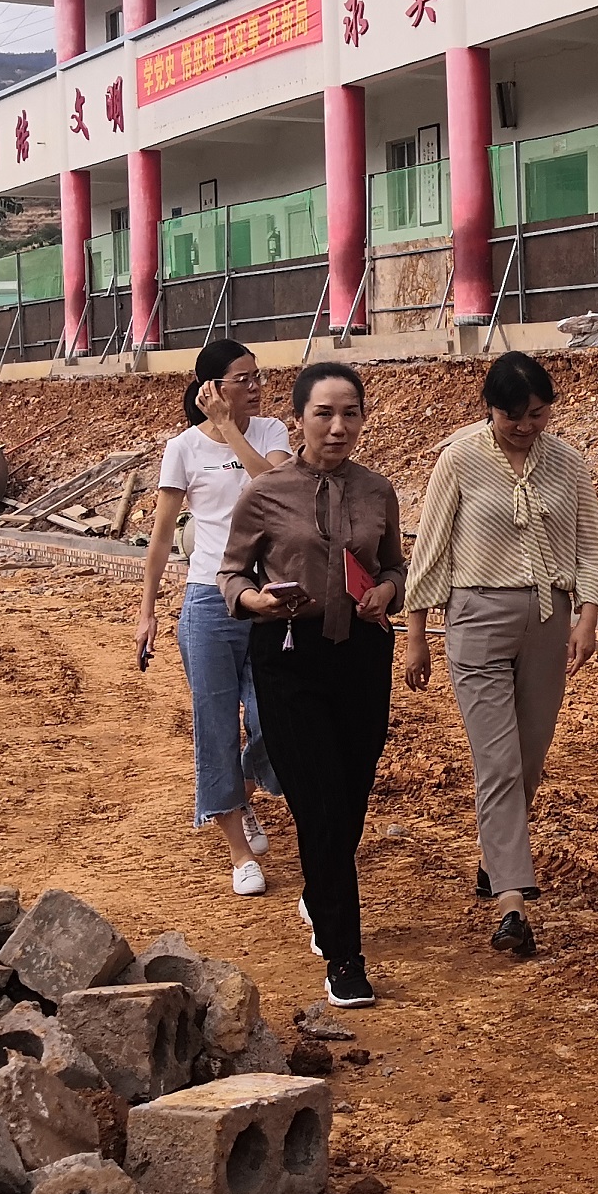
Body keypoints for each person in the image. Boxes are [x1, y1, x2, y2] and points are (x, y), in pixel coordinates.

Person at [402, 351, 598, 960]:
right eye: (512, 415)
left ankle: (495, 857)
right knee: (497, 761)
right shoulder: (459, 459)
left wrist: (587, 617)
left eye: (536, 413)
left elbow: (592, 542)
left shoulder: (567, 462)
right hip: (477, 619)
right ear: (489, 409)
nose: (525, 426)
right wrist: (417, 633)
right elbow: (432, 550)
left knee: (528, 758)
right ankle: (512, 903)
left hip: (548, 620)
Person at [219, 362, 406, 1008]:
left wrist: (387, 591)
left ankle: (320, 890)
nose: (338, 426)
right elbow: (231, 573)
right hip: (288, 658)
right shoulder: (265, 493)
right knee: (318, 803)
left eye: (350, 413)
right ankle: (344, 954)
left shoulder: (378, 490)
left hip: (362, 657)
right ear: (297, 420)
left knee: (350, 798)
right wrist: (253, 602)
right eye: (323, 413)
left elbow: (394, 567)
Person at [136, 340, 292, 897]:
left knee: (276, 715)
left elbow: (275, 490)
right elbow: (161, 538)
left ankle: (240, 791)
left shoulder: (271, 433)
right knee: (215, 721)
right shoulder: (182, 448)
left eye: (257, 376)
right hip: (208, 598)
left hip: (268, 597)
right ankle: (238, 849)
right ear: (212, 388)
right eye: (242, 379)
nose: (255, 386)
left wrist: (229, 429)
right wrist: (148, 610)